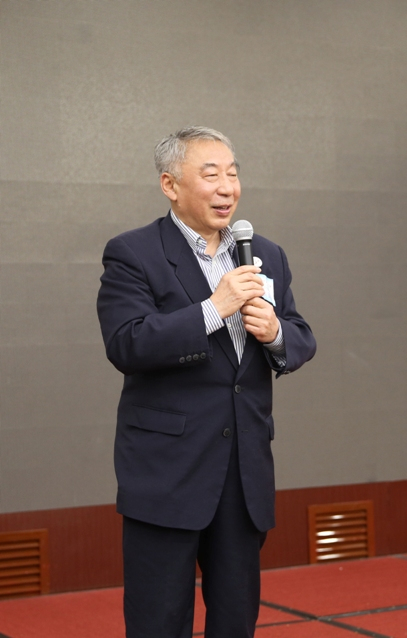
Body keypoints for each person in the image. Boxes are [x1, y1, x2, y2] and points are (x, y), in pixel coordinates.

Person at [97, 126, 316, 638]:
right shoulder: (133, 252)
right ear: (170, 185)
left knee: (236, 622)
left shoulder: (265, 253)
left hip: (244, 473)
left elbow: (300, 336)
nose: (226, 188)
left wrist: (276, 332)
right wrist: (214, 309)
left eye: (232, 174)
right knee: (159, 622)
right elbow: (127, 343)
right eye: (211, 174)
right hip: (167, 473)